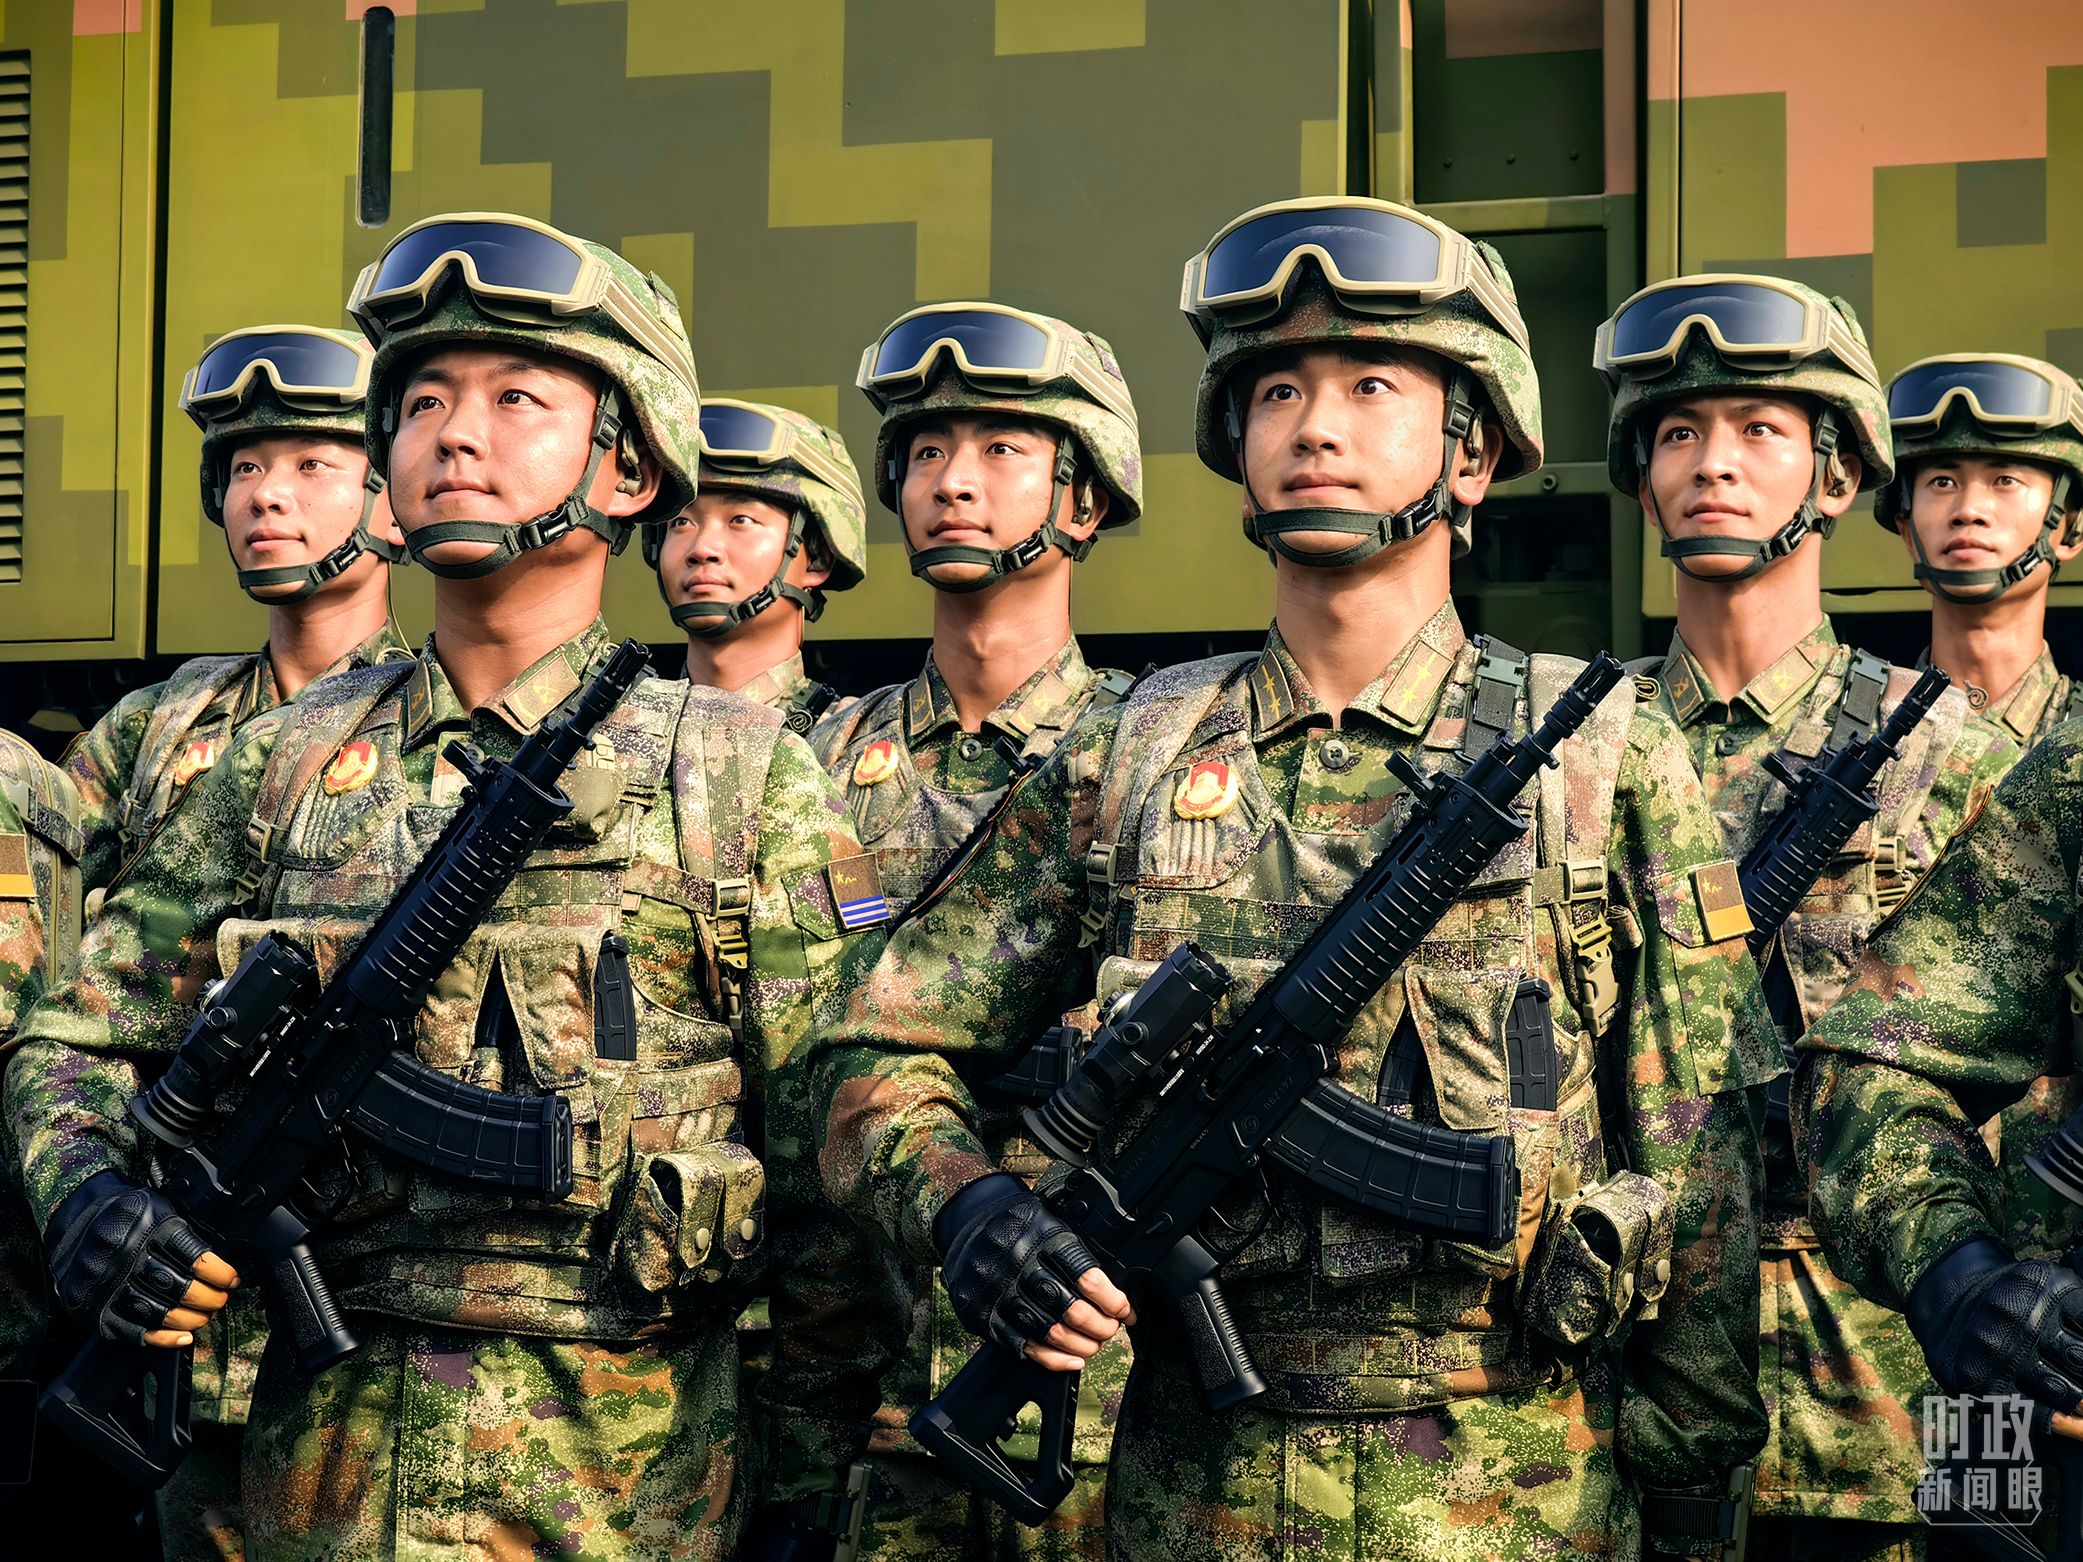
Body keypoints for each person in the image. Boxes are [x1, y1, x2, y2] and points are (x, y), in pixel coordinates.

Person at [811, 196, 1776, 1561]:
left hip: (1516, 1498)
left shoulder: (1605, 751)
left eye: (1370, 386)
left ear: (1471, 451)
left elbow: (1699, 1156)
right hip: (1191, 1499)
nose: (1313, 426)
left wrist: (1691, 1495)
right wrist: (967, 1204)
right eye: (1276, 391)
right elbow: (875, 1043)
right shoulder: (1126, 748)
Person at [6, 213, 890, 1561]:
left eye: (515, 398)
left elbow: (838, 1143)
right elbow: (77, 1033)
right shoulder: (280, 762)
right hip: (317, 1494)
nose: (454, 435)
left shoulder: (741, 774)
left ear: (629, 464)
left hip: (624, 1499)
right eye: (421, 402)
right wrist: (84, 1197)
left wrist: (803, 1480)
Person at [1598, 274, 2017, 1560]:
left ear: (1836, 476)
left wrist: (1998, 1429)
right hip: (1622, 1366)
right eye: (1677, 432)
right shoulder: (1581, 750)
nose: (1711, 463)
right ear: (1641, 479)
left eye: (1759, 430)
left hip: (1890, 1370)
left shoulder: (1952, 750)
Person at [56, 324, 415, 1559]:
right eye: (246, 467)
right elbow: (67, 992)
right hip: (161, 1292)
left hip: (361, 1326)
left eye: (314, 464)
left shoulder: (441, 729)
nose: (266, 494)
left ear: (392, 501)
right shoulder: (157, 727)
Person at [805, 302, 1142, 1561]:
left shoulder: (1148, 752)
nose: (952, 480)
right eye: (927, 451)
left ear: (1083, 499)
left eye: (1002, 449)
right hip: (853, 1356)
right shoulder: (811, 759)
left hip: (1084, 1370)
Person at [1796, 355, 2083, 1539]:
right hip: (1933, 1294)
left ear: (2065, 525)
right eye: (1942, 480)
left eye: (2007, 480)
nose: (1969, 507)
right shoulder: (1843, 757)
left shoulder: (2067, 746)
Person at [649, 398, 867, 733]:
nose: (702, 549)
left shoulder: (850, 741)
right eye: (681, 522)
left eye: (741, 520)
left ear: (817, 557)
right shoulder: (605, 733)